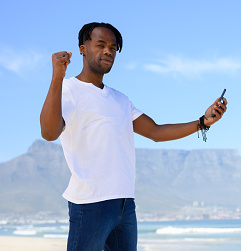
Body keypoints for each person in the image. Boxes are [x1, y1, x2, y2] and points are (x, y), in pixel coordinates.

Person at [40, 22, 227, 251]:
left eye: (113, 47)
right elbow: (49, 133)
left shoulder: (120, 100)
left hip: (125, 205)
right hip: (89, 204)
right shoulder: (67, 89)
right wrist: (57, 78)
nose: (108, 51)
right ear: (82, 48)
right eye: (101, 45)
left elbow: (155, 132)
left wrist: (202, 122)